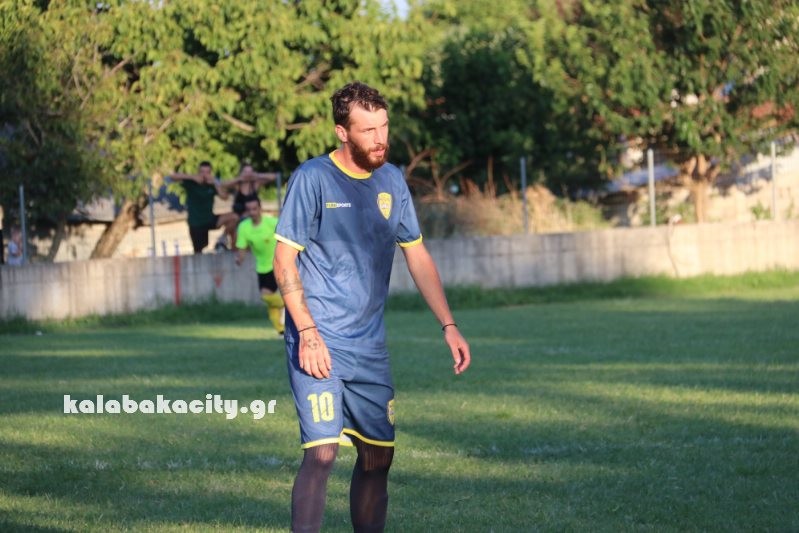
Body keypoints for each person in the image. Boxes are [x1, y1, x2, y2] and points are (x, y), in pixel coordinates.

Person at [273, 81, 471, 533]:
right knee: (322, 452)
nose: (380, 138)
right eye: (368, 130)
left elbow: (416, 254)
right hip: (319, 338)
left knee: (378, 457)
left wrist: (449, 324)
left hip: (369, 346)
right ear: (342, 132)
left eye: (383, 127)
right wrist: (307, 332)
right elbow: (284, 260)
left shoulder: (392, 180)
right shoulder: (313, 178)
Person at [234, 197, 284, 333]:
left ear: (260, 209)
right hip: (262, 267)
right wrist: (239, 259)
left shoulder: (272, 222)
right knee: (268, 300)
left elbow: (287, 236)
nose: (252, 212)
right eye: (249, 210)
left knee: (268, 296)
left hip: (278, 264)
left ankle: (286, 308)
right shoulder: (244, 227)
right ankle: (281, 329)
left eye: (254, 209)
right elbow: (242, 248)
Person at [170, 161, 238, 254]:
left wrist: (215, 183)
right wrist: (192, 177)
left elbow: (224, 197)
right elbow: (173, 176)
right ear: (198, 172)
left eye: (207, 172)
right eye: (202, 172)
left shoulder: (212, 184)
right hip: (196, 223)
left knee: (234, 217)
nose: (205, 175)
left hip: (209, 219)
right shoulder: (191, 183)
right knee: (199, 251)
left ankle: (222, 240)